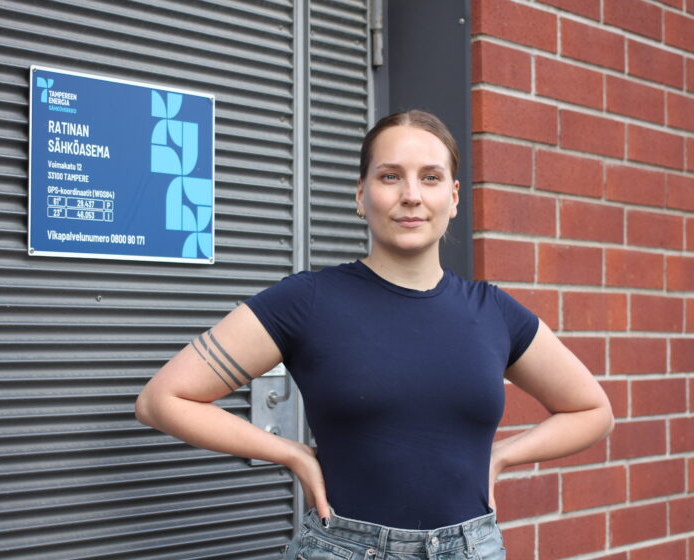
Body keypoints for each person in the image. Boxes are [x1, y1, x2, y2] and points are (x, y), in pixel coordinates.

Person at [135, 110, 615, 559]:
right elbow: (162, 399)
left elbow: (593, 411)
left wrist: (502, 456)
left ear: (453, 197)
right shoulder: (309, 300)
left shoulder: (493, 311)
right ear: (361, 195)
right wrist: (292, 454)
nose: (411, 195)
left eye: (430, 177)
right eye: (390, 176)